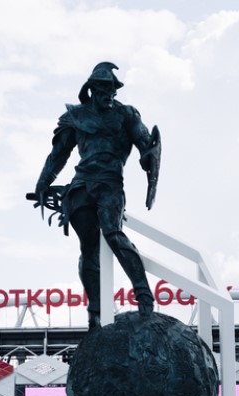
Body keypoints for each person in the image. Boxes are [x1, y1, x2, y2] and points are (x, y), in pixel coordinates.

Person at [33, 62, 160, 330]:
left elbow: (145, 143)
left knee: (113, 234)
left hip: (110, 184)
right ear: (91, 88)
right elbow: (58, 155)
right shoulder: (75, 116)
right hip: (81, 186)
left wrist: (148, 156)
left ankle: (144, 297)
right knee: (88, 246)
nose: (109, 92)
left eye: (112, 88)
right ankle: (96, 311)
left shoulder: (126, 115)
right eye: (104, 87)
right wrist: (42, 183)